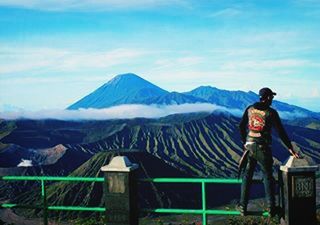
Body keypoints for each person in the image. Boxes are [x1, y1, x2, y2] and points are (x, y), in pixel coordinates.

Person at [238, 87, 299, 216]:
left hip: (249, 147)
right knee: (267, 176)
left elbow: (241, 125)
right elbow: (281, 132)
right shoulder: (271, 113)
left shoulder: (249, 109)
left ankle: (243, 207)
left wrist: (245, 142)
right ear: (267, 98)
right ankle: (271, 208)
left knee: (247, 176)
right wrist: (290, 148)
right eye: (271, 97)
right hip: (262, 148)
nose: (272, 100)